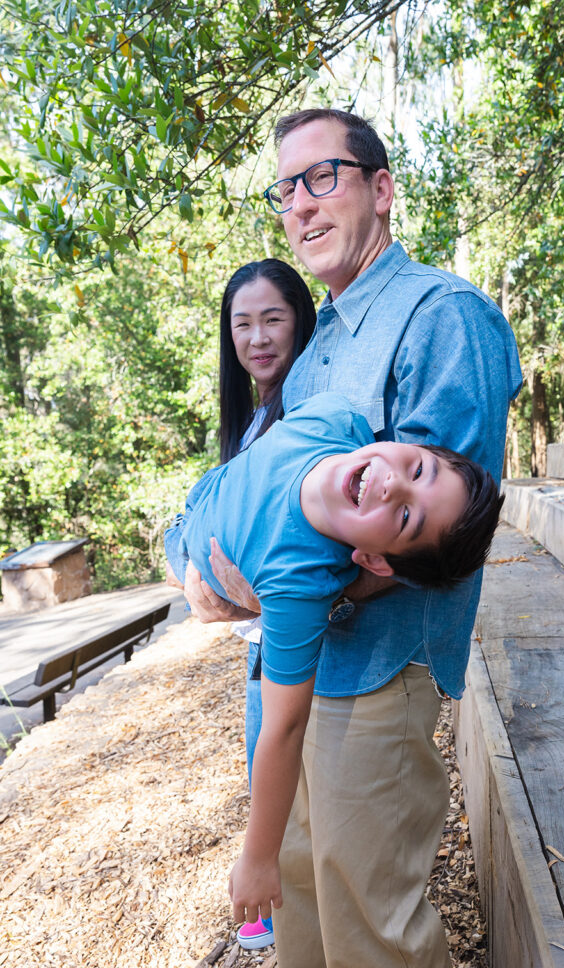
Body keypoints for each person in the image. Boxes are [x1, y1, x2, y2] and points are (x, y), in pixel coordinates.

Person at [184, 109, 523, 968]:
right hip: (289, 670)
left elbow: (442, 536)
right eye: (285, 188)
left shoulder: (443, 315)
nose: (300, 203)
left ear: (381, 189)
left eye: (322, 176)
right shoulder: (319, 340)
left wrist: (254, 586)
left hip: (374, 674)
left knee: (370, 924)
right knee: (296, 900)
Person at [166, 257, 315, 951]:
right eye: (242, 324)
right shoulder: (254, 421)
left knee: (278, 768)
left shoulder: (307, 418)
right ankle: (273, 906)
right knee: (261, 765)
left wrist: (208, 574)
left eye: (273, 319)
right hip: (255, 644)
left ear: (302, 321)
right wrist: (189, 569)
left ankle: (275, 900)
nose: (257, 338)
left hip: (285, 637)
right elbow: (196, 530)